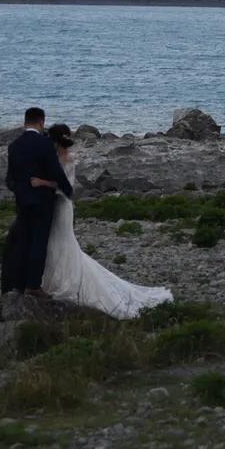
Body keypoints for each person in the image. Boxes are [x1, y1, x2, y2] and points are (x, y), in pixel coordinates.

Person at [30, 122, 173, 318]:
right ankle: (49, 279)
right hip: (55, 204)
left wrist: (41, 183)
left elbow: (64, 185)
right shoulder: (54, 157)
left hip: (62, 204)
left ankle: (63, 281)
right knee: (53, 242)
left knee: (62, 241)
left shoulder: (68, 159)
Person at [2, 107, 74, 298]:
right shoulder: (44, 144)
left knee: (23, 242)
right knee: (38, 242)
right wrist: (67, 190)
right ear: (41, 121)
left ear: (25, 121)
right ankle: (33, 285)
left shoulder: (14, 145)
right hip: (42, 200)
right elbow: (56, 171)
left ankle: (18, 283)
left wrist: (19, 191)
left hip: (22, 200)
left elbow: (10, 178)